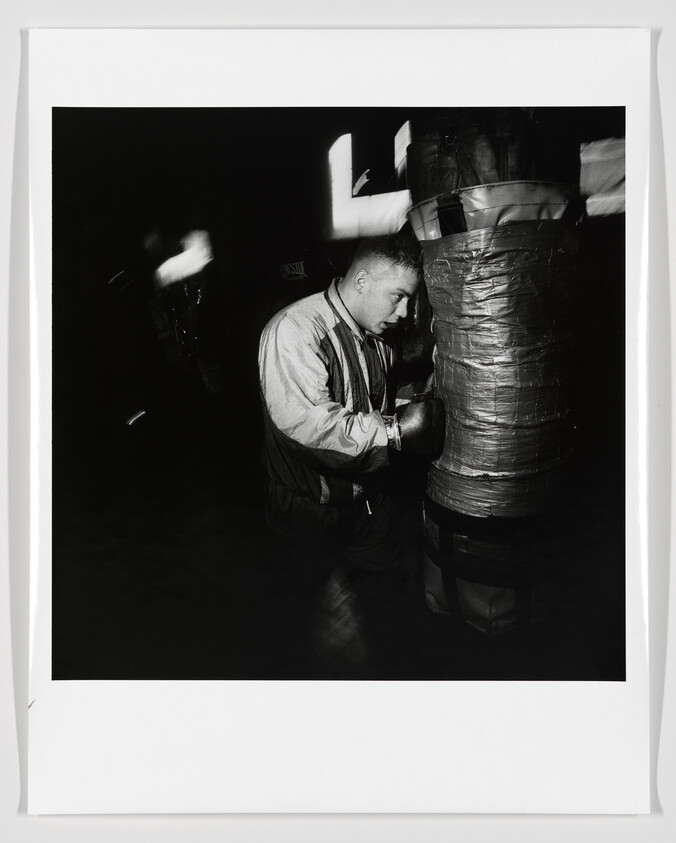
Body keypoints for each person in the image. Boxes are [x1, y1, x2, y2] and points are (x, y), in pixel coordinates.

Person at [258, 232, 444, 677]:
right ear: (361, 280)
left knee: (390, 609)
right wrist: (397, 432)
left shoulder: (378, 335)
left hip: (371, 502)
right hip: (308, 509)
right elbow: (308, 427)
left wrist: (411, 406)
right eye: (397, 297)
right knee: (301, 628)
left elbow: (366, 407)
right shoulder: (296, 330)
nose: (404, 312)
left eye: (409, 301)